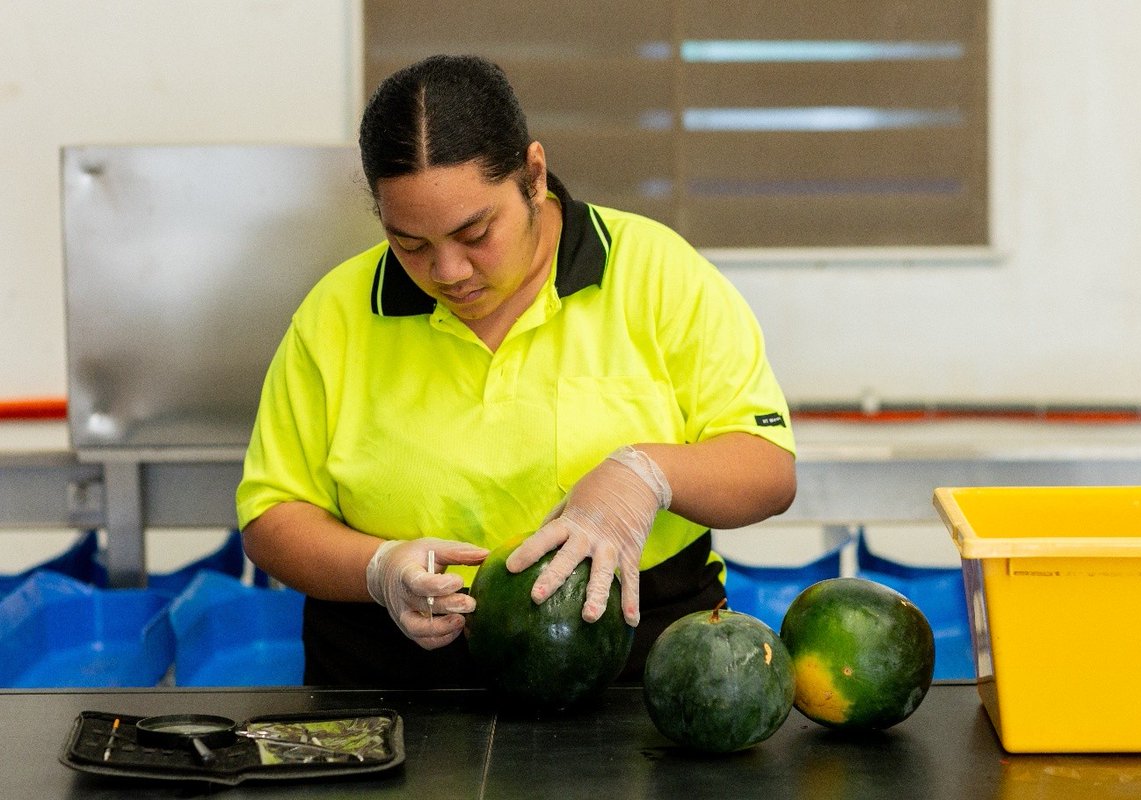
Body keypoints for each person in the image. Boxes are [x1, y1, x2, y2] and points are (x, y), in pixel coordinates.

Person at [236, 54, 797, 688]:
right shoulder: (336, 313)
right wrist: (378, 568)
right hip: (393, 683)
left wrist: (646, 474)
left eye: (474, 232)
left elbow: (767, 468)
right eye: (410, 243)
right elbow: (273, 514)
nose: (448, 271)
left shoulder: (655, 273)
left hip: (636, 674)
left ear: (533, 175)